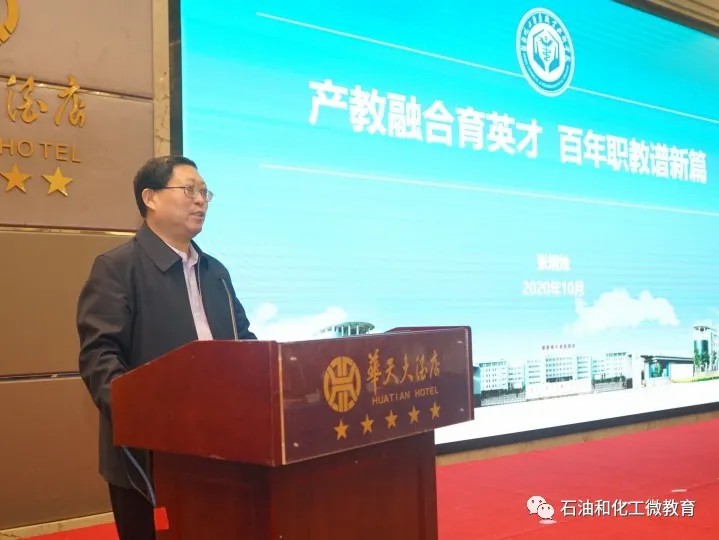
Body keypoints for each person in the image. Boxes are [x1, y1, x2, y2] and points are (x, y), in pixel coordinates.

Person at [76, 155, 256, 540]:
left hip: (222, 444)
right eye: (189, 190)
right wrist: (144, 415)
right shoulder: (117, 268)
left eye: (204, 192)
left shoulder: (216, 272)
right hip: (147, 454)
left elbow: (244, 342)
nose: (201, 200)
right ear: (151, 198)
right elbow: (100, 358)